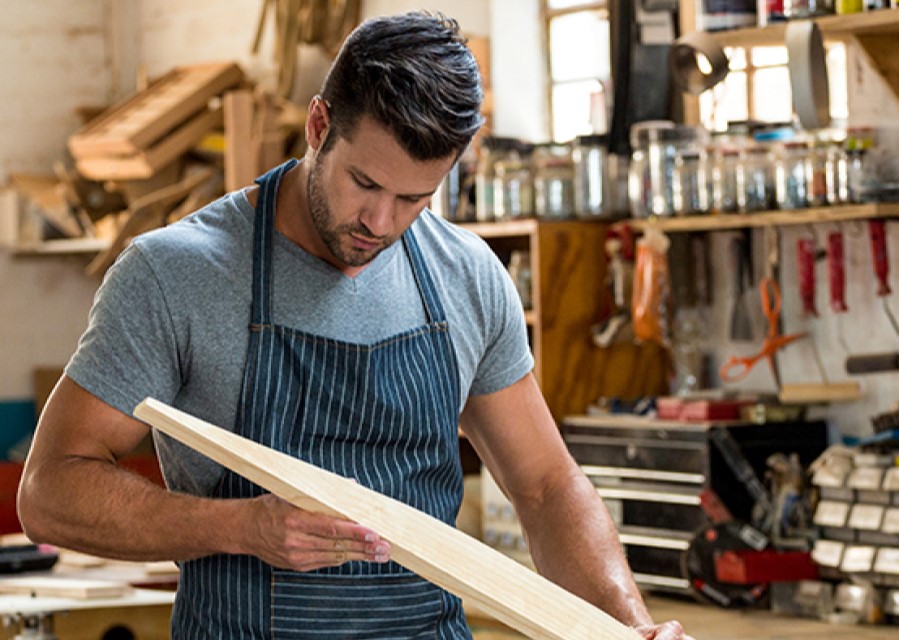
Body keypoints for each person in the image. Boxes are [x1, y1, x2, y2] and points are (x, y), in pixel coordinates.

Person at [18, 11, 691, 640]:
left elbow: (545, 488)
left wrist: (625, 625)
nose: (380, 224)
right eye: (364, 184)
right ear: (318, 127)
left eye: (413, 199)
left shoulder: (465, 275)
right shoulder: (176, 274)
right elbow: (51, 491)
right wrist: (241, 527)